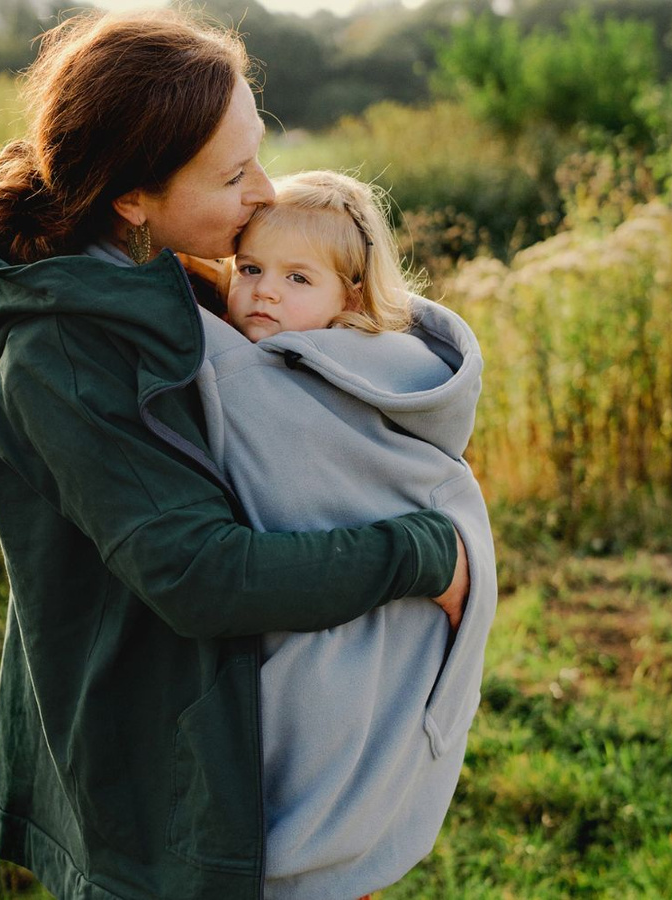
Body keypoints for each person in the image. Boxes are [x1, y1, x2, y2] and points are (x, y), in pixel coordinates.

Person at [0, 10, 469, 900]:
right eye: (233, 175)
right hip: (155, 770)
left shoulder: (173, 278)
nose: (266, 190)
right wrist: (423, 552)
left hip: (237, 738)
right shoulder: (68, 358)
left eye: (260, 151)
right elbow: (199, 574)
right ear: (133, 197)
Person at [184, 170, 498, 899]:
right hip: (317, 619)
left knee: (332, 825)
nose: (265, 293)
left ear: (348, 298)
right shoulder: (297, 354)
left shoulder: (331, 378)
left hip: (362, 637)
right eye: (251, 269)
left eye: (298, 278)